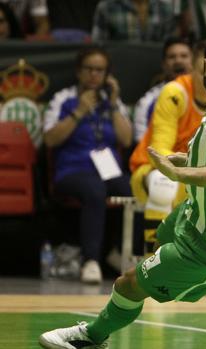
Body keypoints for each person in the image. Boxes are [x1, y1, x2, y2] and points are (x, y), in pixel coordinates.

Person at [39, 25, 206, 348]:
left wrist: (177, 174)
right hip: (194, 218)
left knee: (128, 284)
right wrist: (188, 161)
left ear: (205, 65)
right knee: (163, 237)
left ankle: (92, 337)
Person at [43, 47, 133, 284]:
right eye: (89, 69)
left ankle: (118, 252)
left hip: (108, 171)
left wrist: (113, 105)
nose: (94, 75)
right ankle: (91, 261)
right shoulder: (63, 99)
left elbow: (126, 139)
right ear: (79, 72)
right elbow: (50, 139)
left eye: (100, 70)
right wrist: (79, 111)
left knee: (134, 187)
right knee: (94, 189)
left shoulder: (113, 102)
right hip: (71, 172)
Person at [129, 41, 206, 258]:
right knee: (162, 183)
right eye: (203, 69)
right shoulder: (175, 92)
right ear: (193, 66)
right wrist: (192, 169)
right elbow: (159, 148)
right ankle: (152, 263)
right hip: (154, 168)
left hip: (202, 173)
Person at [133, 37, 193, 143]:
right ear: (164, 65)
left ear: (194, 61)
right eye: (172, 57)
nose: (178, 61)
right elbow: (141, 142)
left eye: (184, 56)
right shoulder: (147, 101)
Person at [91, 0, 179, 42]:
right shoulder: (107, 7)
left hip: (156, 68)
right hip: (118, 66)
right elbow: (98, 45)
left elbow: (170, 46)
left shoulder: (164, 9)